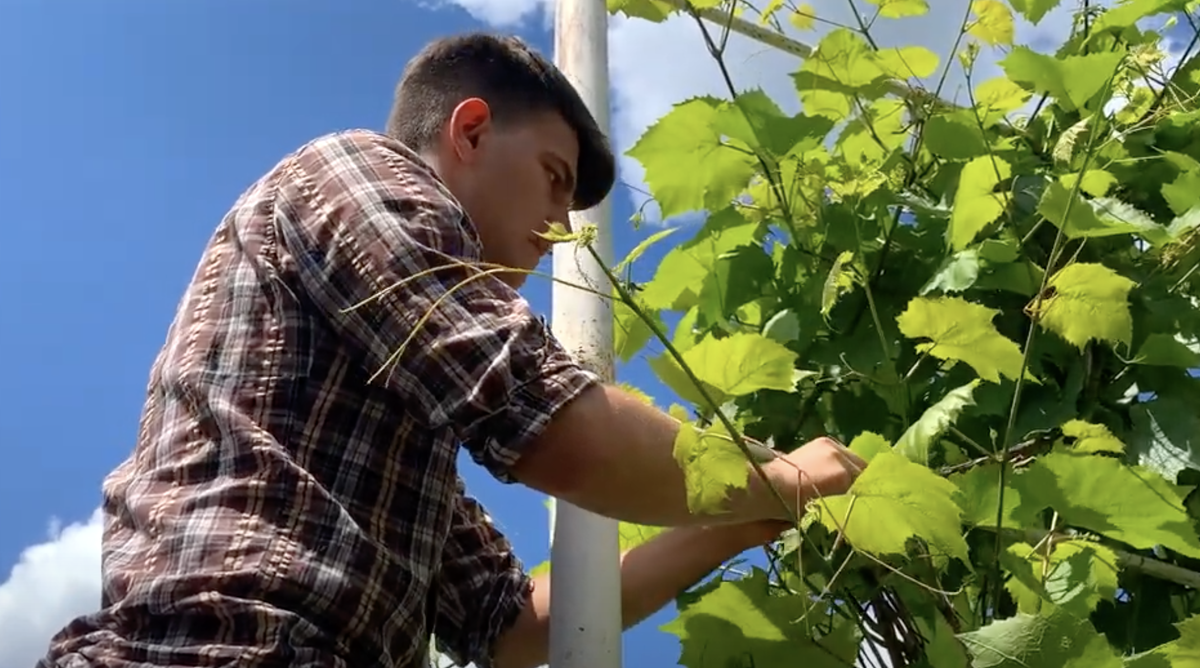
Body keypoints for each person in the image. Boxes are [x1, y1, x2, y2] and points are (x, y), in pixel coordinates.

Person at [38, 32, 866, 668]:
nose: (561, 231)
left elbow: (507, 628)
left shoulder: (406, 425)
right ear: (470, 130)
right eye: (551, 175)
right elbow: (550, 422)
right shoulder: (358, 174)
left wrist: (754, 518)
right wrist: (783, 473)